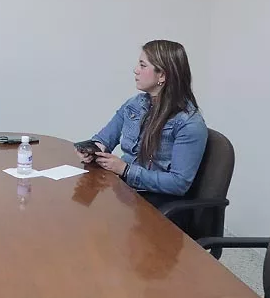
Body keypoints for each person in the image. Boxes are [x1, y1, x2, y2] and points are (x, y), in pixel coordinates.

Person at [79, 40, 207, 204]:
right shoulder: (134, 105)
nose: (136, 70)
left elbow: (179, 183)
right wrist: (93, 149)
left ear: (162, 75)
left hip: (155, 200)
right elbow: (104, 139)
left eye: (142, 65)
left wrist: (125, 170)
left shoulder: (189, 123)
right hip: (125, 190)